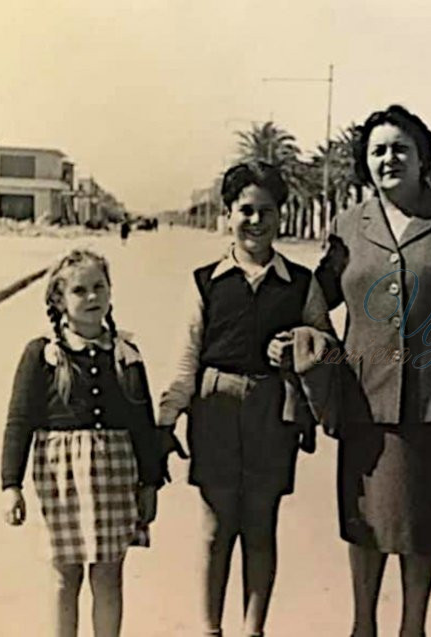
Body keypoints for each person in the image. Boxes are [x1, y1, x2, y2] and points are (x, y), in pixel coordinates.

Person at [314, 104, 431, 637]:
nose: (389, 159)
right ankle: (362, 627)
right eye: (378, 151)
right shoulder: (348, 226)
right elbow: (316, 299)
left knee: (422, 526)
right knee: (363, 521)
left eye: (401, 149)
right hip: (362, 400)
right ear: (365, 162)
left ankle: (412, 629)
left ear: (425, 159)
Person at [157, 160, 333, 637]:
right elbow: (186, 359)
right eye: (246, 210)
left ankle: (253, 630)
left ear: (281, 215)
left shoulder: (301, 283)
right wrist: (166, 419)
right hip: (215, 408)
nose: (256, 221)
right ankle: (210, 629)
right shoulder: (205, 281)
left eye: (267, 211)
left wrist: (300, 343)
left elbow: (329, 348)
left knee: (260, 527)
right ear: (228, 214)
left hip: (272, 414)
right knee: (216, 530)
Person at [0, 249, 164, 637]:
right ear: (59, 300)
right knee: (64, 574)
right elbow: (19, 421)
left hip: (115, 475)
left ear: (110, 291)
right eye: (79, 290)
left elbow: (143, 423)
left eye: (99, 287)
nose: (92, 297)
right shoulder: (42, 354)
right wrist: (11, 485)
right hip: (62, 478)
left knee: (108, 575)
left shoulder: (125, 353)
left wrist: (150, 482)